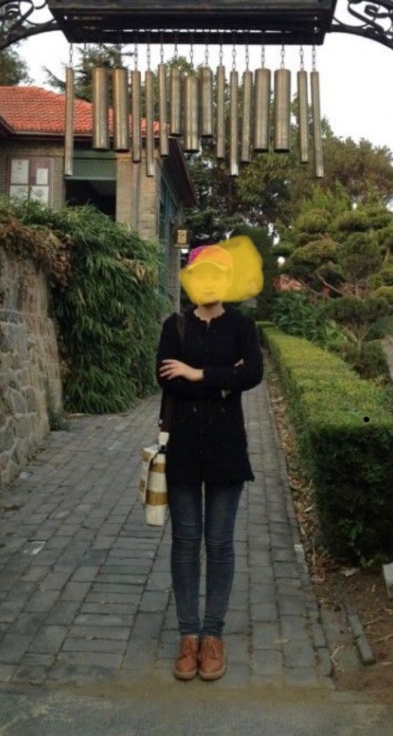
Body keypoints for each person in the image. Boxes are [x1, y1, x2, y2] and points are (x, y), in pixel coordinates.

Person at [156, 243, 263, 682]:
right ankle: (188, 635)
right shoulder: (175, 326)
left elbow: (252, 374)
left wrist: (199, 374)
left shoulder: (242, 326)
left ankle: (213, 635)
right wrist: (224, 380)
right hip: (183, 446)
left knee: (219, 543)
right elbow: (166, 378)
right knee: (185, 542)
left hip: (225, 448)